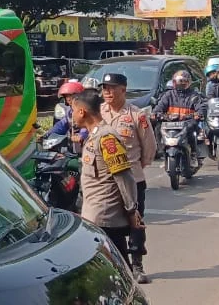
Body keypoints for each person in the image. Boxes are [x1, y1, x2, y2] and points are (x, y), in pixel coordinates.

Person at [99, 73, 157, 284]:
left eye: (112, 88)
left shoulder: (136, 115)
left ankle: (137, 265)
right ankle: (116, 264)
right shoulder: (100, 112)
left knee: (136, 222)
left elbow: (149, 147)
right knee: (107, 223)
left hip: (132, 178)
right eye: (104, 88)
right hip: (106, 182)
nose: (107, 92)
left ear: (123, 89)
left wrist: (136, 168)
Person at [74, 88, 142, 261]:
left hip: (105, 219)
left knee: (117, 268)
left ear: (82, 112)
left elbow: (124, 177)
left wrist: (132, 211)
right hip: (94, 216)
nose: (72, 115)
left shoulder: (107, 138)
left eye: (74, 111)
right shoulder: (94, 136)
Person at [152, 70, 206, 169]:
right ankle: (164, 154)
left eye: (184, 81)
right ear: (174, 82)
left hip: (187, 122)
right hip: (170, 123)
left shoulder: (194, 95)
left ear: (188, 83)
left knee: (192, 129)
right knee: (158, 128)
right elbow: (158, 108)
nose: (181, 84)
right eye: (179, 81)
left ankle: (193, 154)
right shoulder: (168, 95)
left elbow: (201, 108)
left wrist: (198, 114)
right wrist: (156, 114)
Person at [48, 81, 89, 150]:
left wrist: (81, 135)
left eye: (71, 96)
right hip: (75, 146)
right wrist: (48, 134)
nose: (68, 99)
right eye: (66, 96)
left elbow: (86, 125)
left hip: (88, 144)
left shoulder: (86, 109)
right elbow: (61, 124)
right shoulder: (69, 111)